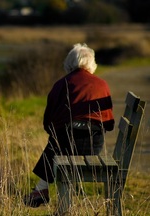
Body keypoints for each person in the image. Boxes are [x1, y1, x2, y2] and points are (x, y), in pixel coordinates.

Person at [23, 43, 114, 207]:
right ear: (92, 63)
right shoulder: (102, 85)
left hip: (65, 146)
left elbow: (48, 123)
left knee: (56, 141)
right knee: (58, 140)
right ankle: (41, 190)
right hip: (95, 146)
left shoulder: (61, 84)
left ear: (69, 63)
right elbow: (109, 124)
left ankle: (41, 190)